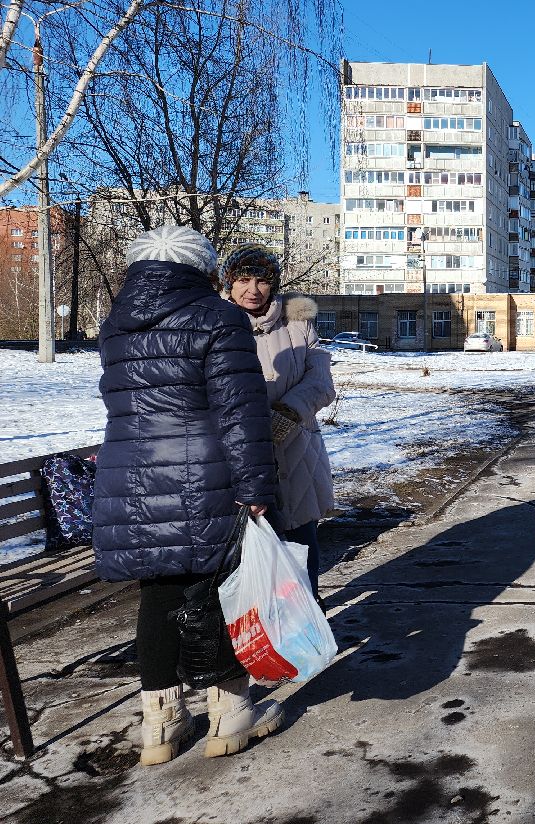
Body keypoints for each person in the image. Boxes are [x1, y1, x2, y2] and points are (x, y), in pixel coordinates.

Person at [93, 225, 281, 766]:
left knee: (158, 596)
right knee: (219, 589)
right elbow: (240, 412)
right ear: (202, 267)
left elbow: (120, 402)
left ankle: (160, 726)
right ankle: (229, 714)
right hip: (204, 475)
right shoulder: (217, 317)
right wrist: (256, 486)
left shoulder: (116, 324)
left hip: (130, 478)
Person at [223, 245, 335, 600]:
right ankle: (255, 636)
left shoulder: (298, 324)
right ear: (229, 282)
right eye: (243, 279)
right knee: (244, 552)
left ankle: (306, 628)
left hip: (297, 450)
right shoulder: (215, 323)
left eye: (261, 280)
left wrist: (286, 414)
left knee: (302, 544)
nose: (252, 289)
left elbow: (321, 382)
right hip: (235, 455)